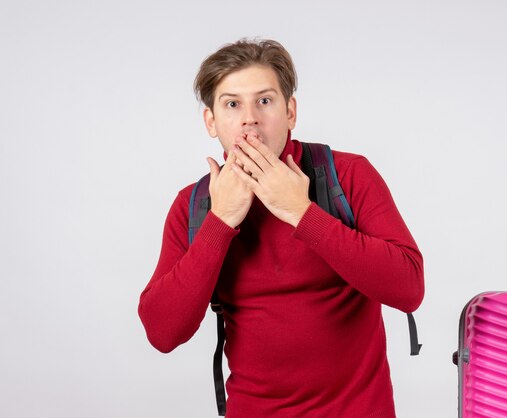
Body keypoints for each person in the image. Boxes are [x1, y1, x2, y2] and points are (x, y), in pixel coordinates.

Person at [138, 38, 424, 418]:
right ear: (211, 121)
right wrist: (220, 222)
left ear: (290, 111)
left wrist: (301, 213)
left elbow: (408, 289)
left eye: (265, 100)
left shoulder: (350, 176)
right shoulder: (193, 206)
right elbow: (162, 332)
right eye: (232, 103)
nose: (250, 118)